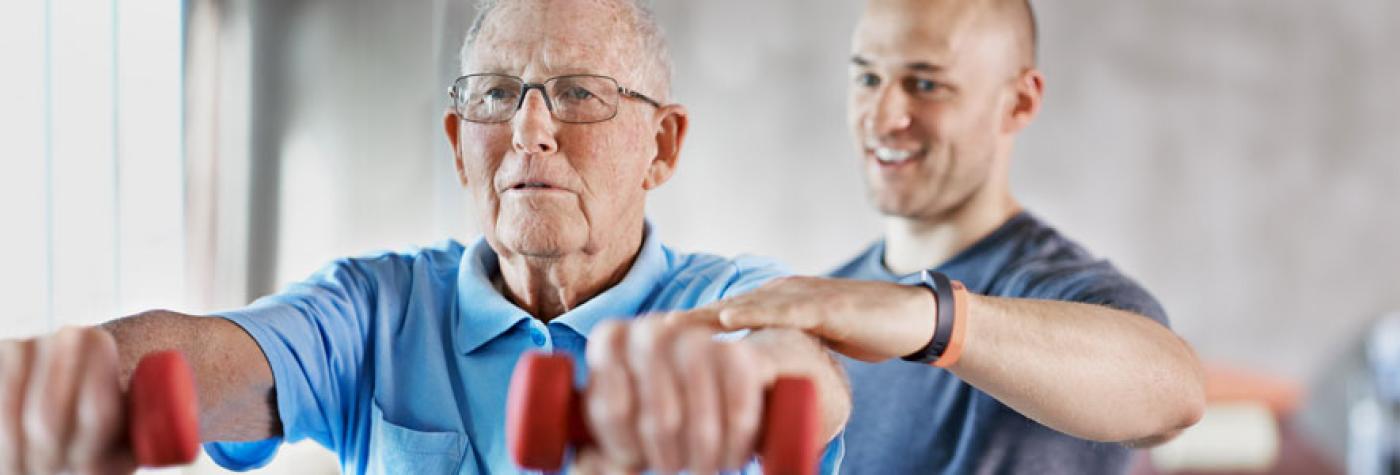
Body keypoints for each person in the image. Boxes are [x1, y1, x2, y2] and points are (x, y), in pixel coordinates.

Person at [0, 1, 850, 473]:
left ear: (660, 145)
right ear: (456, 143)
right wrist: (74, 379)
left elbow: (804, 366)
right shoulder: (376, 307)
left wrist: (731, 385)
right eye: (494, 95)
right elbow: (211, 356)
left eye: (580, 93)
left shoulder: (722, 298)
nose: (529, 130)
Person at [674, 0, 1206, 473]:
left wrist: (932, 319)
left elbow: (1175, 392)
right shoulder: (828, 302)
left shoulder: (1064, 290)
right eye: (867, 79)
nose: (883, 118)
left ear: (1019, 102)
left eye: (925, 84)